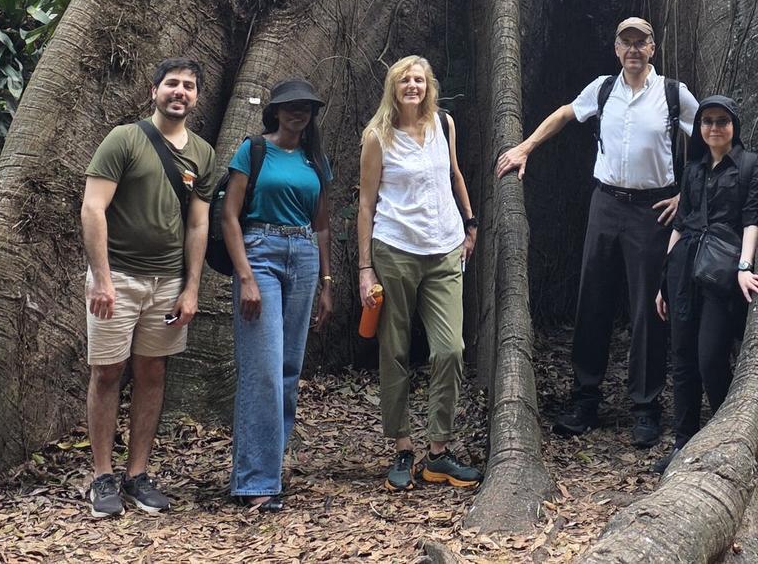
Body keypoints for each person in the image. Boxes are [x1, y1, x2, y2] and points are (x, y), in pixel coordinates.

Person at [496, 16, 697, 448]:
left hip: (653, 208)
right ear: (616, 49)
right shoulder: (603, 89)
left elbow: (709, 138)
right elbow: (567, 114)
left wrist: (687, 195)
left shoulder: (672, 94)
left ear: (652, 48)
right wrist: (525, 146)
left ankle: (645, 406)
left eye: (640, 42)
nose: (633, 50)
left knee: (647, 307)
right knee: (593, 300)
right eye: (625, 42)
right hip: (605, 204)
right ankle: (585, 398)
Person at [81, 57, 216, 518]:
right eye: (172, 84)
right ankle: (101, 477)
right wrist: (101, 279)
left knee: (152, 373)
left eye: (189, 87)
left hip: (167, 283)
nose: (180, 92)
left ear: (197, 97)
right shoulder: (125, 139)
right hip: (117, 278)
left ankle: (136, 474)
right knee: (106, 373)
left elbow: (199, 225)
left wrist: (191, 288)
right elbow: (93, 208)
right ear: (154, 89)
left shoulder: (202, 152)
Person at [357, 55, 482, 492]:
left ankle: (438, 452)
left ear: (429, 86)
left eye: (419, 79)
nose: (413, 85)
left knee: (450, 348)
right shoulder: (378, 136)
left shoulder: (443, 124)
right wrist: (364, 267)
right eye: (405, 80)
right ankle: (403, 446)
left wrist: (470, 223)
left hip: (445, 248)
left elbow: (454, 174)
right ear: (393, 87)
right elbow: (367, 203)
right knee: (394, 349)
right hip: (395, 249)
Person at [220, 77, 334, 509]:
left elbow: (321, 224)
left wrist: (327, 282)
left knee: (288, 368)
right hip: (260, 253)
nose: (297, 112)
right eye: (290, 106)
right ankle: (255, 482)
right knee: (263, 368)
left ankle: (269, 464)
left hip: (303, 256)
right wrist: (245, 276)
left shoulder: (315, 160)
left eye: (305, 106)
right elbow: (230, 216)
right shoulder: (254, 150)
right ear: (275, 111)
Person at [653, 94, 758, 475]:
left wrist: (744, 267)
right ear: (699, 129)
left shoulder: (749, 165)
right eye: (707, 122)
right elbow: (681, 224)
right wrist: (663, 283)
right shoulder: (694, 169)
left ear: (734, 126)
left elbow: (751, 220)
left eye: (722, 121)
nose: (714, 128)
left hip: (720, 274)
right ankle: (683, 441)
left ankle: (722, 433)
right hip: (684, 269)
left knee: (710, 357)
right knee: (682, 360)